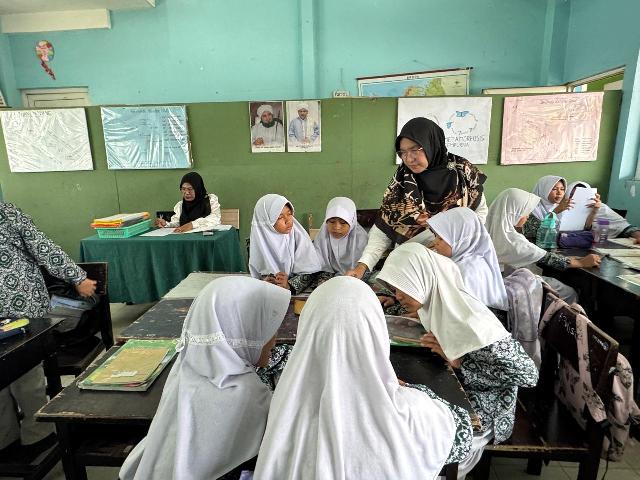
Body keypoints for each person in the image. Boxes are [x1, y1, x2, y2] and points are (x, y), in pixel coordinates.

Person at [253, 276, 473, 479]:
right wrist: (411, 390)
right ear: (376, 331)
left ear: (307, 329)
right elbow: (463, 433)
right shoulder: (409, 415)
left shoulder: (282, 405)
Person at [377, 244, 538, 476]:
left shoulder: (473, 322)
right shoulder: (439, 303)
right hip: (461, 389)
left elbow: (528, 375)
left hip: (486, 408)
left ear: (423, 279)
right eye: (395, 289)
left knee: (416, 446)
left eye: (403, 287)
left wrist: (461, 362)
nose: (398, 295)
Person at [119, 276, 291, 480]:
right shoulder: (247, 396)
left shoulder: (185, 370)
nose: (275, 339)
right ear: (241, 330)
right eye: (268, 329)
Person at [0, 202, 96, 460]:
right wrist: (77, 277)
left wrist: (76, 276)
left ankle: (11, 437)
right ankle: (32, 435)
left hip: (18, 308)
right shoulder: (5, 212)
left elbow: (41, 247)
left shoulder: (5, 213)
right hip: (20, 308)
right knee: (23, 374)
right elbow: (42, 247)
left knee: (11, 375)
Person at [346, 117, 487, 279]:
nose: (408, 159)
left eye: (414, 150)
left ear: (431, 144)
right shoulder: (401, 182)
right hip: (411, 268)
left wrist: (458, 244)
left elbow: (479, 213)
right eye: (402, 152)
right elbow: (382, 230)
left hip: (455, 266)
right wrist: (362, 266)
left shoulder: (463, 173)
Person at [486, 188, 601, 304]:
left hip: (494, 282)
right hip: (509, 284)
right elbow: (548, 258)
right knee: (569, 293)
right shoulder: (512, 239)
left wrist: (576, 259)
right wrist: (582, 263)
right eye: (525, 212)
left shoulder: (486, 229)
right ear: (515, 213)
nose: (527, 217)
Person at [426, 206, 508, 311]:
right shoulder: (473, 259)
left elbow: (458, 312)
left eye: (441, 238)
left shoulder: (466, 271)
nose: (434, 242)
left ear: (461, 240)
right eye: (436, 236)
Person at [249, 194, 322, 294]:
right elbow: (255, 274)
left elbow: (312, 271)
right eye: (280, 217)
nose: (288, 221)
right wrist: (263, 283)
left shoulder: (299, 237)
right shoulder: (257, 240)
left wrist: (290, 285)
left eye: (289, 214)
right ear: (266, 222)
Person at [523, 175, 601, 241]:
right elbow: (533, 233)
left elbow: (583, 228)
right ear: (543, 190)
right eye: (554, 189)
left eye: (562, 189)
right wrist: (555, 212)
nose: (559, 193)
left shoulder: (563, 207)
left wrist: (594, 211)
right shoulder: (530, 209)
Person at [566, 180, 640, 243]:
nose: (576, 198)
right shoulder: (563, 209)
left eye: (581, 195)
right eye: (572, 195)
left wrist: (638, 236)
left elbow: (626, 227)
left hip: (610, 244)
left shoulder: (601, 208)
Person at [313, 197, 368, 276]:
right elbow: (316, 263)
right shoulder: (322, 237)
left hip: (357, 275)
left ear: (352, 222)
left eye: (343, 222)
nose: (337, 227)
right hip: (328, 274)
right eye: (332, 221)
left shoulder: (361, 239)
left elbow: (365, 265)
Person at [155, 172, 221, 233]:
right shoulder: (181, 205)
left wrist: (191, 225)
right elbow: (177, 222)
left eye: (190, 189)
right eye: (183, 189)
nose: (187, 193)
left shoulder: (210, 201)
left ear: (198, 189)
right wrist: (166, 224)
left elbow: (214, 219)